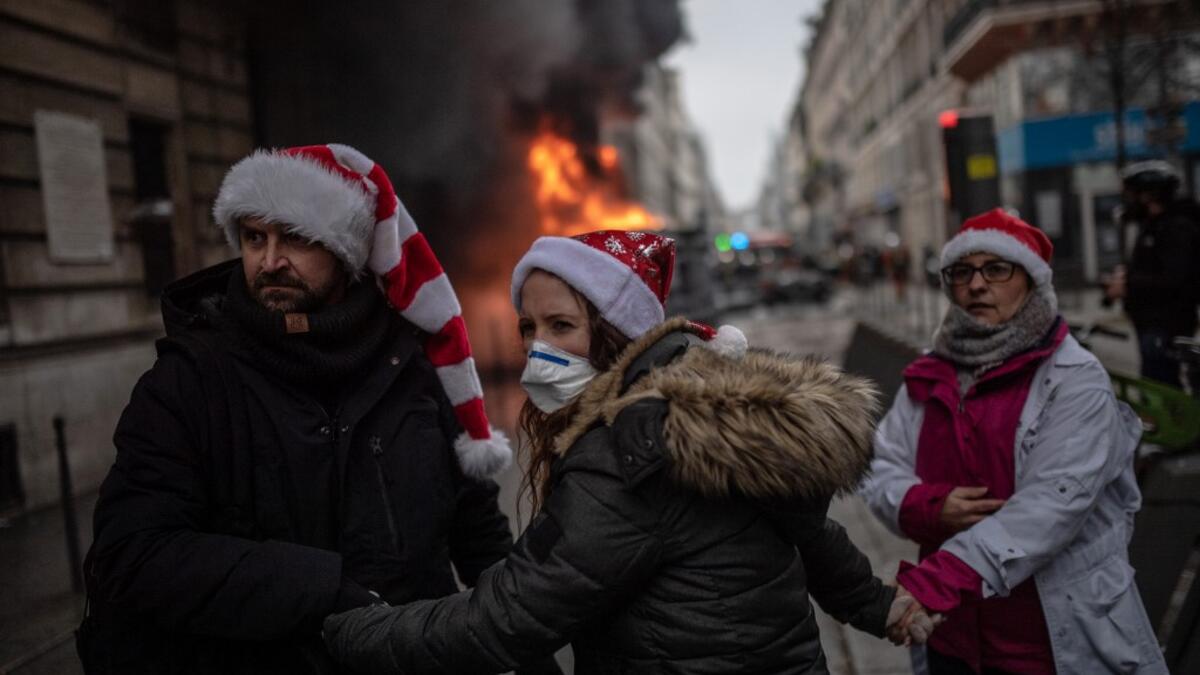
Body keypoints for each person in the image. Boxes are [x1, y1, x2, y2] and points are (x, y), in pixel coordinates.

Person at [321, 229, 931, 674]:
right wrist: (878, 606)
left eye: (562, 326)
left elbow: (507, 618)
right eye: (528, 328)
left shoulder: (630, 451)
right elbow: (807, 528)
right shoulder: (701, 410)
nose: (538, 349)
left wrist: (352, 632)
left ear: (619, 333)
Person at [78, 143, 559, 674]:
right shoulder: (189, 381)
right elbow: (131, 554)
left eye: (296, 237)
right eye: (254, 237)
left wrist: (532, 657)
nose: (270, 261)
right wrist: (320, 589)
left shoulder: (412, 366)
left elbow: (477, 535)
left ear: (346, 248)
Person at [863, 209, 1167, 674]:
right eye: (962, 271)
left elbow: (1048, 509)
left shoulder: (1075, 379)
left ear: (1031, 280)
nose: (977, 284)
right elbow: (881, 463)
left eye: (997, 268)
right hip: (954, 640)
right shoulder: (932, 373)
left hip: (1048, 643)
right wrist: (926, 505)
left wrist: (933, 584)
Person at [1104, 160, 1200, 388]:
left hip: (1166, 325)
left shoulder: (1176, 227)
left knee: (1162, 388)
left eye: (1131, 194)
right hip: (1150, 323)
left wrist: (1129, 283)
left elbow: (1175, 279)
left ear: (1149, 195)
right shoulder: (1152, 226)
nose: (1128, 201)